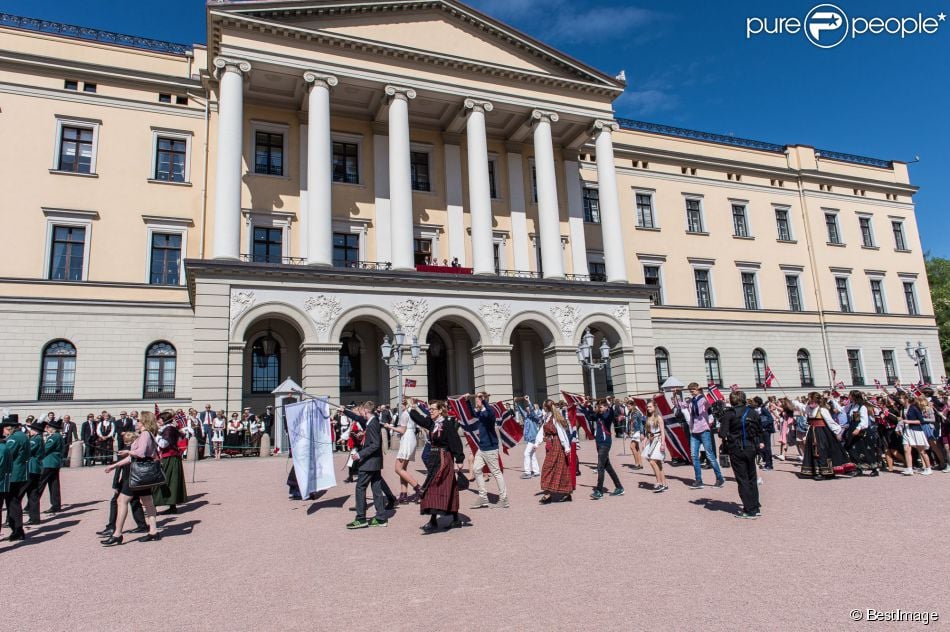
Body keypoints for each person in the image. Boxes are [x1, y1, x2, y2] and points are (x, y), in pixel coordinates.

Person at [101, 412, 162, 546]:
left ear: (144, 422)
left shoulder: (145, 434)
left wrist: (127, 451)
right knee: (148, 502)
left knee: (122, 501)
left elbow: (139, 454)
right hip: (143, 474)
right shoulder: (147, 434)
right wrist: (115, 465)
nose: (136, 422)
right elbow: (134, 457)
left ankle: (117, 534)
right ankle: (153, 531)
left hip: (137, 474)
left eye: (139, 420)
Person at [409, 400, 465, 532]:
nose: (430, 411)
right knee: (445, 488)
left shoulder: (447, 424)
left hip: (444, 459)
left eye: (433, 409)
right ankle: (455, 519)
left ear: (440, 410)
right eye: (430, 409)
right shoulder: (433, 423)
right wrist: (411, 409)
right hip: (434, 459)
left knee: (435, 487)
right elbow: (421, 420)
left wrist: (459, 459)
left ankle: (433, 521)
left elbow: (455, 441)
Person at [718, 391, 765, 519]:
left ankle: (749, 509)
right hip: (751, 447)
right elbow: (760, 430)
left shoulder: (729, 414)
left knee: (742, 479)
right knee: (751, 478)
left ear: (732, 401)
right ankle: (755, 506)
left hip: (737, 448)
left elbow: (722, 433)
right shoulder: (752, 412)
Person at [342, 402, 388, 529]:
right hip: (375, 462)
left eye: (362, 411)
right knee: (376, 489)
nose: (360, 413)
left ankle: (361, 518)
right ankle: (381, 517)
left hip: (369, 462)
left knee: (360, 487)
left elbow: (375, 445)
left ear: (367, 410)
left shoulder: (372, 424)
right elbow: (358, 418)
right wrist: (344, 410)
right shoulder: (372, 421)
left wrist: (360, 454)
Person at [460, 392, 509, 509]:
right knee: (476, 469)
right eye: (476, 399)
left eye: (477, 399)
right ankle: (483, 497)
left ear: (482, 400)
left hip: (491, 448)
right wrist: (467, 401)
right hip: (482, 448)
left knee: (496, 473)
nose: (476, 400)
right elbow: (472, 414)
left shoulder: (489, 412)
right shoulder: (481, 413)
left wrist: (484, 400)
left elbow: (491, 414)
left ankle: (504, 499)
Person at [97, 431, 148, 537]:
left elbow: (118, 469)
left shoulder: (127, 450)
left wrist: (115, 484)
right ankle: (142, 525)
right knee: (134, 501)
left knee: (115, 501)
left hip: (127, 479)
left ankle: (112, 527)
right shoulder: (136, 449)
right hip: (136, 478)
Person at [796, 393, 854, 480]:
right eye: (810, 401)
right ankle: (817, 471)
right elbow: (800, 406)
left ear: (817, 401)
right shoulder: (808, 408)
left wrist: (837, 432)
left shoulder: (822, 410)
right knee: (814, 451)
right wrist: (792, 401)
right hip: (813, 432)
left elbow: (830, 422)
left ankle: (826, 472)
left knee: (822, 451)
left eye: (812, 401)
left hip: (822, 432)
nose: (810, 403)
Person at [686, 383, 726, 489]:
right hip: (694, 430)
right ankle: (698, 480)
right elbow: (680, 405)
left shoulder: (703, 399)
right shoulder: (691, 401)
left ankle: (719, 478)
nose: (691, 391)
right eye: (690, 390)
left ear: (698, 389)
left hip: (704, 429)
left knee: (710, 455)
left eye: (693, 390)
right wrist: (675, 394)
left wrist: (703, 393)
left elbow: (709, 404)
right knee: (694, 456)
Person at [383, 402, 421, 504]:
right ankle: (403, 494)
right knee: (403, 469)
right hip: (411, 438)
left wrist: (389, 426)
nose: (400, 405)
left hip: (407, 439)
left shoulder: (405, 414)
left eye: (402, 403)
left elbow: (402, 430)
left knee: (398, 469)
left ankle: (418, 488)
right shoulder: (412, 413)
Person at [539, 400, 574, 504]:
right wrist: (539, 441)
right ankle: (566, 494)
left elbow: (561, 433)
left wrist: (566, 448)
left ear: (546, 407)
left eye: (543, 406)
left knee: (548, 468)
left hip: (557, 445)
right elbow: (542, 431)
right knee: (560, 468)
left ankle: (548, 494)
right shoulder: (547, 417)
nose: (543, 408)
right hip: (551, 445)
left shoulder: (554, 418)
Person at [153, 411, 188, 515]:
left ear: (164, 419)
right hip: (171, 457)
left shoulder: (168, 429)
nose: (158, 420)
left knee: (163, 481)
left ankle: (154, 506)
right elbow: (181, 436)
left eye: (159, 419)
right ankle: (171, 506)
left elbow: (163, 444)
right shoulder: (170, 428)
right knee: (170, 481)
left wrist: (156, 435)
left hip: (169, 457)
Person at [589, 400, 624, 500]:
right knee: (608, 467)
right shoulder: (598, 416)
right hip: (599, 443)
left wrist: (609, 405)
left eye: (601, 407)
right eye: (598, 407)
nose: (599, 408)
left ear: (605, 408)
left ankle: (599, 491)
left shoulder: (607, 416)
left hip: (605, 443)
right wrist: (586, 406)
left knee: (600, 466)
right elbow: (589, 416)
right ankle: (619, 487)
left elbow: (611, 415)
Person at [2, 414, 29, 541]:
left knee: (12, 502)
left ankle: (17, 529)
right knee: (14, 502)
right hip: (20, 471)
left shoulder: (14, 438)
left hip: (13, 473)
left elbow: (8, 452)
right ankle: (17, 529)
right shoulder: (22, 436)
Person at [900, 395, 934, 476]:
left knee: (921, 450)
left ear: (906, 399)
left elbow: (921, 421)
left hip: (916, 430)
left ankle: (928, 468)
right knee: (906, 449)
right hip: (907, 430)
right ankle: (909, 469)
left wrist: (908, 422)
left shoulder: (914, 408)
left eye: (901, 398)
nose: (900, 400)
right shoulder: (902, 408)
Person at [38, 419, 64, 514]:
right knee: (54, 484)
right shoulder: (58, 436)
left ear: (53, 428)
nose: (47, 429)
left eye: (49, 427)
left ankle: (32, 505)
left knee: (40, 483)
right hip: (55, 462)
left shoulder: (54, 437)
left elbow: (46, 449)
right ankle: (56, 504)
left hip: (49, 462)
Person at [515, 397, 544, 478]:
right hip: (530, 439)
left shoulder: (535, 417)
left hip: (533, 439)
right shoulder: (526, 416)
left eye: (528, 408)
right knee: (532, 455)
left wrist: (528, 401)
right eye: (526, 408)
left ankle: (527, 472)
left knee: (526, 453)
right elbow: (520, 411)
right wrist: (516, 403)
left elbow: (531, 410)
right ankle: (536, 472)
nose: (527, 409)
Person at [24, 419, 46, 525]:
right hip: (36, 467)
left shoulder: (35, 439)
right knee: (33, 494)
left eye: (31, 429)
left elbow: (27, 450)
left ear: (35, 430)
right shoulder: (38, 438)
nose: (30, 431)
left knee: (29, 493)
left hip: (32, 466)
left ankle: (33, 516)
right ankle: (34, 517)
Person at [642, 401, 668, 492]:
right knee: (658, 463)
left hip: (658, 440)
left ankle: (659, 482)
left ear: (654, 407)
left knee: (652, 461)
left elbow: (662, 431)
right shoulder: (648, 418)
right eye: (647, 407)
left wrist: (663, 444)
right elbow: (647, 432)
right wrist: (645, 441)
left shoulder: (659, 418)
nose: (648, 408)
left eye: (650, 406)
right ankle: (664, 484)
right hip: (651, 441)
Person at [626, 400, 645, 470]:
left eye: (629, 406)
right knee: (636, 448)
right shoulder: (630, 413)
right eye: (627, 406)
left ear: (633, 405)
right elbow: (629, 423)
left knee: (632, 447)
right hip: (634, 431)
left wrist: (642, 433)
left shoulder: (637, 412)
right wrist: (628, 431)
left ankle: (637, 464)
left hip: (637, 431)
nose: (628, 407)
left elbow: (640, 423)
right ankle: (640, 464)